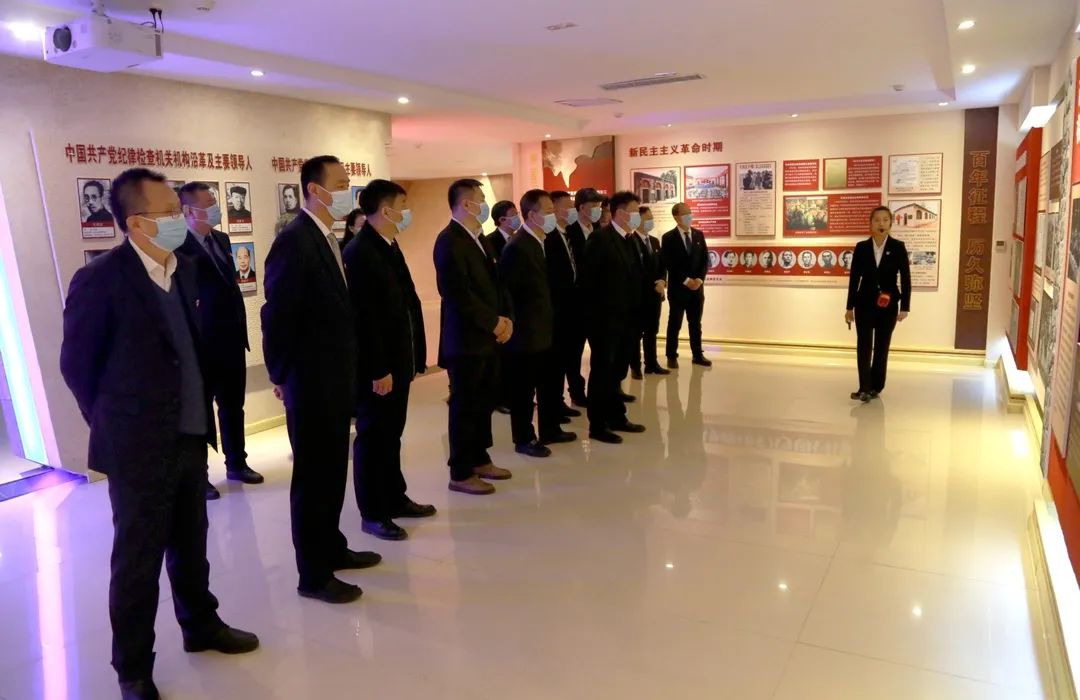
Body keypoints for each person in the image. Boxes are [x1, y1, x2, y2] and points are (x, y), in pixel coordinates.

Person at [61, 168, 258, 700]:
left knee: (192, 543)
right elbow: (77, 366)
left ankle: (201, 625)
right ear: (136, 222)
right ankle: (133, 668)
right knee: (138, 558)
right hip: (138, 446)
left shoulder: (183, 268)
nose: (180, 219)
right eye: (170, 212)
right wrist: (116, 427)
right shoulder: (101, 279)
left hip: (190, 432)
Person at [262, 155, 382, 605]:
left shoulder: (326, 237)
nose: (349, 190)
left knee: (332, 472)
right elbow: (278, 316)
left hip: (333, 379)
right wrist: (281, 375)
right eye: (342, 183)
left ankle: (332, 547)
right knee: (313, 480)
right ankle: (313, 574)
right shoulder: (294, 241)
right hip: (310, 383)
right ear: (314, 189)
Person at [342, 179, 435, 542]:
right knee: (373, 438)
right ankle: (373, 512)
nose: (406, 212)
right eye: (402, 206)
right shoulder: (360, 251)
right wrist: (378, 368)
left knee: (391, 435)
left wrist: (413, 357)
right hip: (378, 368)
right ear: (385, 210)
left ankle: (395, 497)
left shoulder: (388, 244)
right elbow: (364, 319)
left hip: (398, 362)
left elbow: (404, 305)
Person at [177, 181, 264, 504]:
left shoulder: (222, 239)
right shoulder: (179, 246)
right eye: (208, 204)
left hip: (231, 339)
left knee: (232, 406)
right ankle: (199, 478)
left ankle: (237, 463)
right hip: (201, 345)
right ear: (189, 210)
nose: (215, 208)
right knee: (200, 413)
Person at [434, 178, 514, 495]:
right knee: (464, 406)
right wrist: (492, 323)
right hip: (466, 340)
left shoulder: (479, 237)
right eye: (480, 199)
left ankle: (480, 458)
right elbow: (457, 294)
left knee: (483, 402)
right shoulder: (449, 241)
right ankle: (461, 471)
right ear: (466, 204)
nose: (483, 204)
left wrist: (505, 319)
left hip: (488, 337)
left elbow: (496, 283)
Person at [500, 189, 576, 458]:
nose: (553, 216)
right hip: (526, 333)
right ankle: (524, 438)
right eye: (549, 211)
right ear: (532, 215)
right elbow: (510, 295)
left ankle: (550, 429)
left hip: (545, 328)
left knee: (548, 382)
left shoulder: (540, 241)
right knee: (523, 390)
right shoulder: (518, 247)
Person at [582, 190, 647, 444]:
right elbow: (589, 283)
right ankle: (597, 425)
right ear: (620, 213)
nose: (637, 216)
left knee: (618, 371)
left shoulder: (631, 239)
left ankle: (617, 416)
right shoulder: (600, 240)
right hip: (605, 322)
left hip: (628, 321)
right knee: (602, 373)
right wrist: (596, 322)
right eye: (634, 211)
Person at [845, 205, 912, 402]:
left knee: (882, 347)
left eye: (885, 220)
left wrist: (905, 306)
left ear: (890, 223)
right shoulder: (861, 248)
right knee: (864, 346)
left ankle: (876, 386)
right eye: (876, 220)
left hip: (888, 305)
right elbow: (854, 279)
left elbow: (906, 279)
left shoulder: (898, 247)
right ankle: (864, 387)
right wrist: (849, 307)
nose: (880, 223)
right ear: (870, 224)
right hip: (864, 305)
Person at [562, 187, 605, 409]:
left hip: (598, 303)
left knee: (600, 352)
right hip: (577, 303)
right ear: (580, 207)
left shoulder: (599, 230)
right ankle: (576, 392)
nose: (598, 210)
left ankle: (603, 391)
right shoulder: (569, 232)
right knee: (574, 352)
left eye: (599, 206)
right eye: (593, 206)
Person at [663, 203, 712, 368]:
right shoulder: (668, 238)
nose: (689, 216)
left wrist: (699, 279)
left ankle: (697, 355)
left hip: (697, 289)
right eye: (685, 213)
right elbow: (670, 263)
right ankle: (671, 355)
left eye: (690, 213)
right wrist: (686, 280)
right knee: (675, 323)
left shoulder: (699, 235)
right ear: (676, 217)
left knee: (695, 323)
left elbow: (705, 259)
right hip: (678, 289)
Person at [486, 200, 520, 415]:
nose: (517, 218)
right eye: (513, 214)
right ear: (501, 220)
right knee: (501, 359)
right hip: (499, 310)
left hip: (516, 307)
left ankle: (513, 396)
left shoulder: (519, 239)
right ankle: (500, 398)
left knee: (515, 359)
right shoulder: (490, 242)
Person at [630, 206, 668, 378]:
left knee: (652, 331)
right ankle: (635, 366)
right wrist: (652, 284)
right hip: (639, 296)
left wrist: (662, 281)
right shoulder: (630, 241)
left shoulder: (654, 241)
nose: (651, 221)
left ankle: (651, 364)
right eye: (648, 218)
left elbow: (662, 265)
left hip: (655, 295)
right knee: (636, 333)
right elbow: (635, 270)